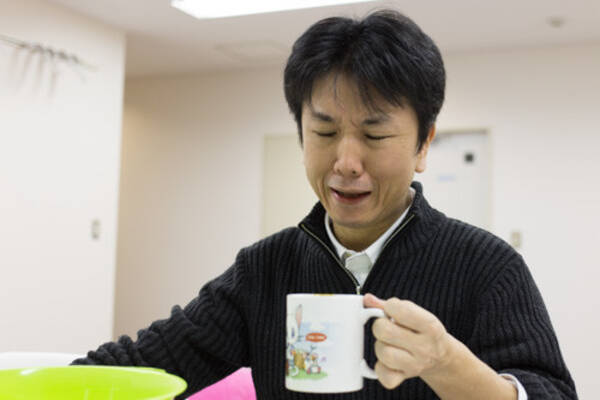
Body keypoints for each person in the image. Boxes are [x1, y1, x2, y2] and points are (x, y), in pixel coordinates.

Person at [73, 9, 577, 399]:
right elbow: (145, 364)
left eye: (375, 134)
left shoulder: (487, 267)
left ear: (423, 145)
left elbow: (550, 392)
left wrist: (446, 362)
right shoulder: (263, 270)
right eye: (325, 132)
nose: (346, 162)